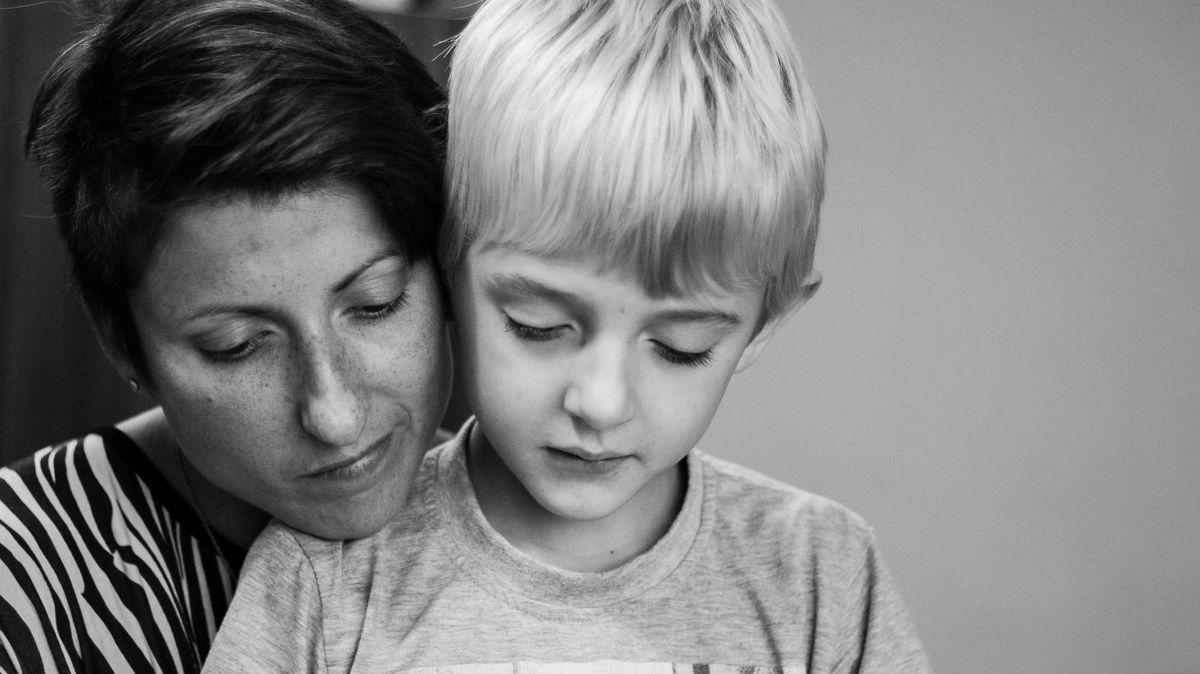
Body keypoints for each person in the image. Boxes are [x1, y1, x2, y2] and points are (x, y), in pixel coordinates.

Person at [206, 0, 931, 671]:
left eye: (680, 346)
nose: (601, 403)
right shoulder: (323, 583)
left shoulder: (822, 573)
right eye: (539, 327)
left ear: (764, 324)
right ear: (445, 268)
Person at [0, 0, 452, 670]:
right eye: (236, 345)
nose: (334, 416)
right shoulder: (22, 579)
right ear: (120, 341)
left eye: (375, 304)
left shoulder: (560, 514)